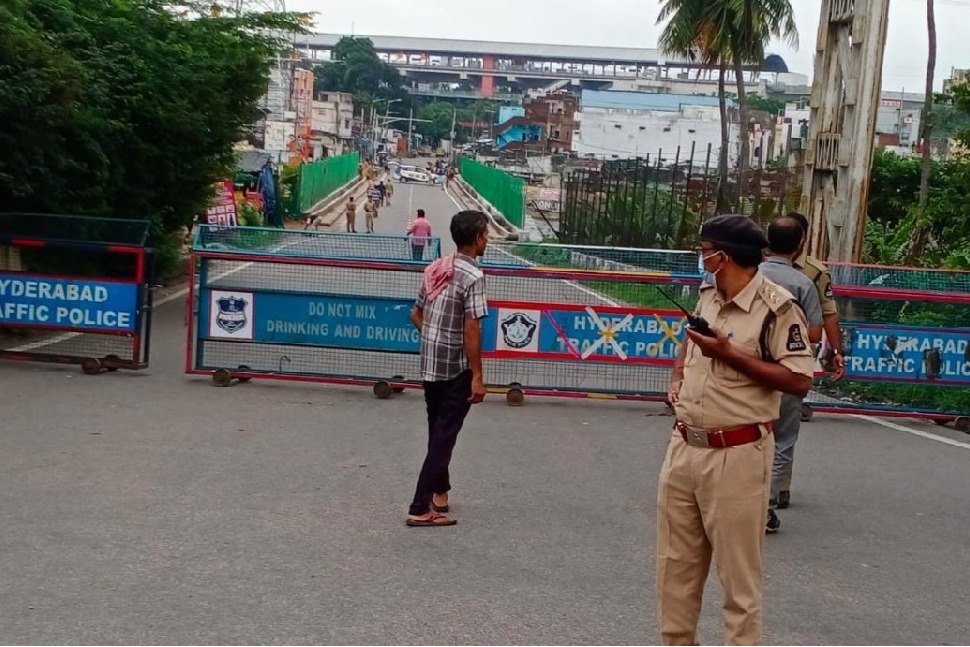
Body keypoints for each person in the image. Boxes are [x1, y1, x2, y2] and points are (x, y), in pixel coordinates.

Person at [660, 214, 814, 646]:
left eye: (705, 250)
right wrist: (676, 378)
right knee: (675, 571)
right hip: (684, 447)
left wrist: (729, 354)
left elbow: (799, 380)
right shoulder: (707, 294)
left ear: (722, 256)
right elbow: (690, 339)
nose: (701, 257)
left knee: (738, 583)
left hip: (738, 453)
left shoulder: (778, 307)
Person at [406, 210, 490, 527]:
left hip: (430, 361)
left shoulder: (436, 266)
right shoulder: (474, 277)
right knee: (444, 437)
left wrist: (432, 336)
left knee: (437, 431)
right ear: (477, 237)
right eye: (486, 234)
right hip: (455, 366)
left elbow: (415, 314)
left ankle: (440, 489)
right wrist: (478, 376)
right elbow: (472, 328)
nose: (488, 239)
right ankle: (418, 507)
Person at [759, 216, 825, 534]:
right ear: (800, 245)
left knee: (743, 432)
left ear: (766, 242)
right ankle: (766, 506)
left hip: (748, 367)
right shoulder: (803, 283)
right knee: (783, 438)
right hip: (788, 370)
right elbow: (813, 333)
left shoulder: (749, 275)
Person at [788, 212, 846, 383]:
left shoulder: (815, 272)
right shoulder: (759, 266)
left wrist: (837, 352)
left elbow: (828, 313)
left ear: (802, 238)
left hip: (797, 348)